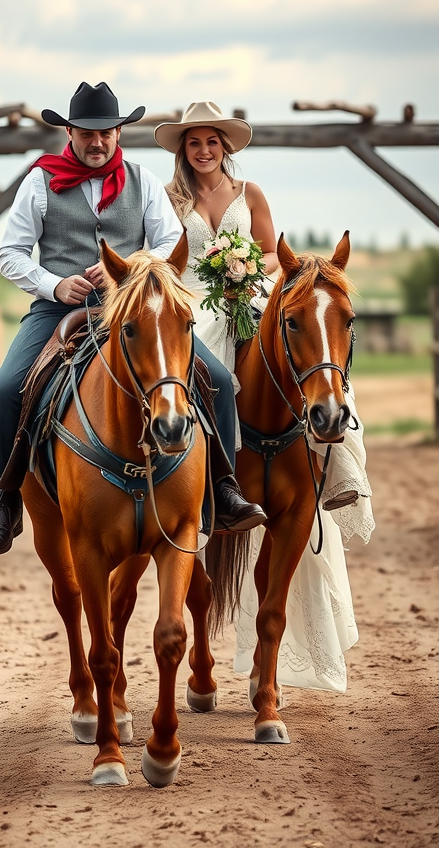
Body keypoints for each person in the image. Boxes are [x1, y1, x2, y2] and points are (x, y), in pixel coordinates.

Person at [0, 82, 266, 556]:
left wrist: (130, 267)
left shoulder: (143, 181)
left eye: (106, 133)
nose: (97, 142)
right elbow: (9, 253)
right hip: (60, 308)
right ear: (69, 132)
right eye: (87, 133)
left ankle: (226, 489)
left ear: (119, 133)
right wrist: (55, 284)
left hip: (134, 309)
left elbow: (171, 241)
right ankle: (3, 502)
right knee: (7, 389)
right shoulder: (38, 181)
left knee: (215, 378)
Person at [155, 100, 374, 692]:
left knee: (309, 355)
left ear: (227, 146)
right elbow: (164, 257)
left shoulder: (250, 193)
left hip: (249, 295)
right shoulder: (170, 201)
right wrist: (208, 283)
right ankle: (200, 472)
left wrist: (249, 276)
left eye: (212, 141)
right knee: (189, 374)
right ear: (184, 149)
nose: (203, 150)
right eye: (194, 142)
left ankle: (336, 466)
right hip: (196, 304)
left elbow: (275, 256)